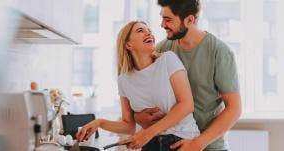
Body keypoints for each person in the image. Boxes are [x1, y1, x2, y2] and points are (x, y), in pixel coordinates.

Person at [133, 0, 242, 151]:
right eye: (162, 18)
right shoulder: (162, 50)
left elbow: (234, 108)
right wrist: (138, 117)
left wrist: (198, 143)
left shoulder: (219, 52)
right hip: (171, 143)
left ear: (190, 20)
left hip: (208, 146)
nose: (162, 24)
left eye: (168, 19)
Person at [76, 21, 200, 151]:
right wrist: (99, 123)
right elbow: (128, 125)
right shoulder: (124, 80)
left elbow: (186, 105)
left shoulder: (168, 60)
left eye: (149, 30)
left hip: (182, 141)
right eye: (140, 30)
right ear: (128, 45)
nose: (149, 33)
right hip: (151, 144)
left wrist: (147, 133)